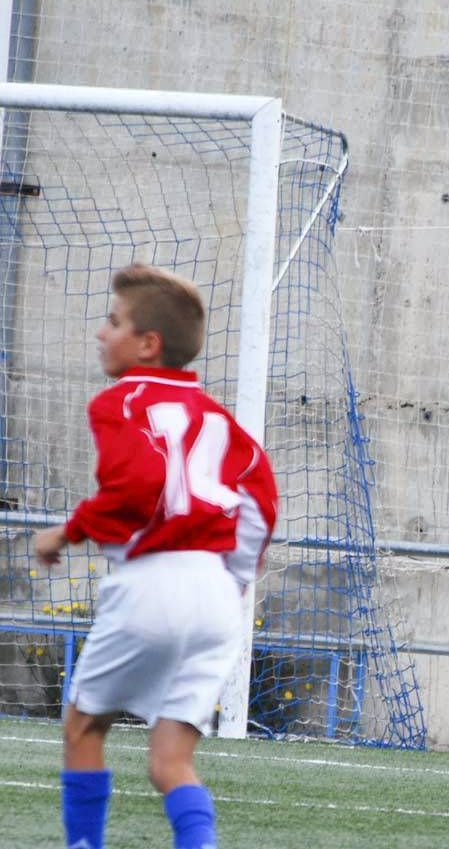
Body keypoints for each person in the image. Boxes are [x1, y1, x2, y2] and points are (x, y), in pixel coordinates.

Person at [33, 263, 278, 849]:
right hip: (218, 596)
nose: (100, 333)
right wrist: (235, 581)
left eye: (112, 321)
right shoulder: (220, 419)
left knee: (85, 726)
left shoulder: (120, 403)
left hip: (153, 583)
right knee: (170, 761)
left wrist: (65, 534)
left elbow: (140, 485)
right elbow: (261, 504)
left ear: (148, 344)